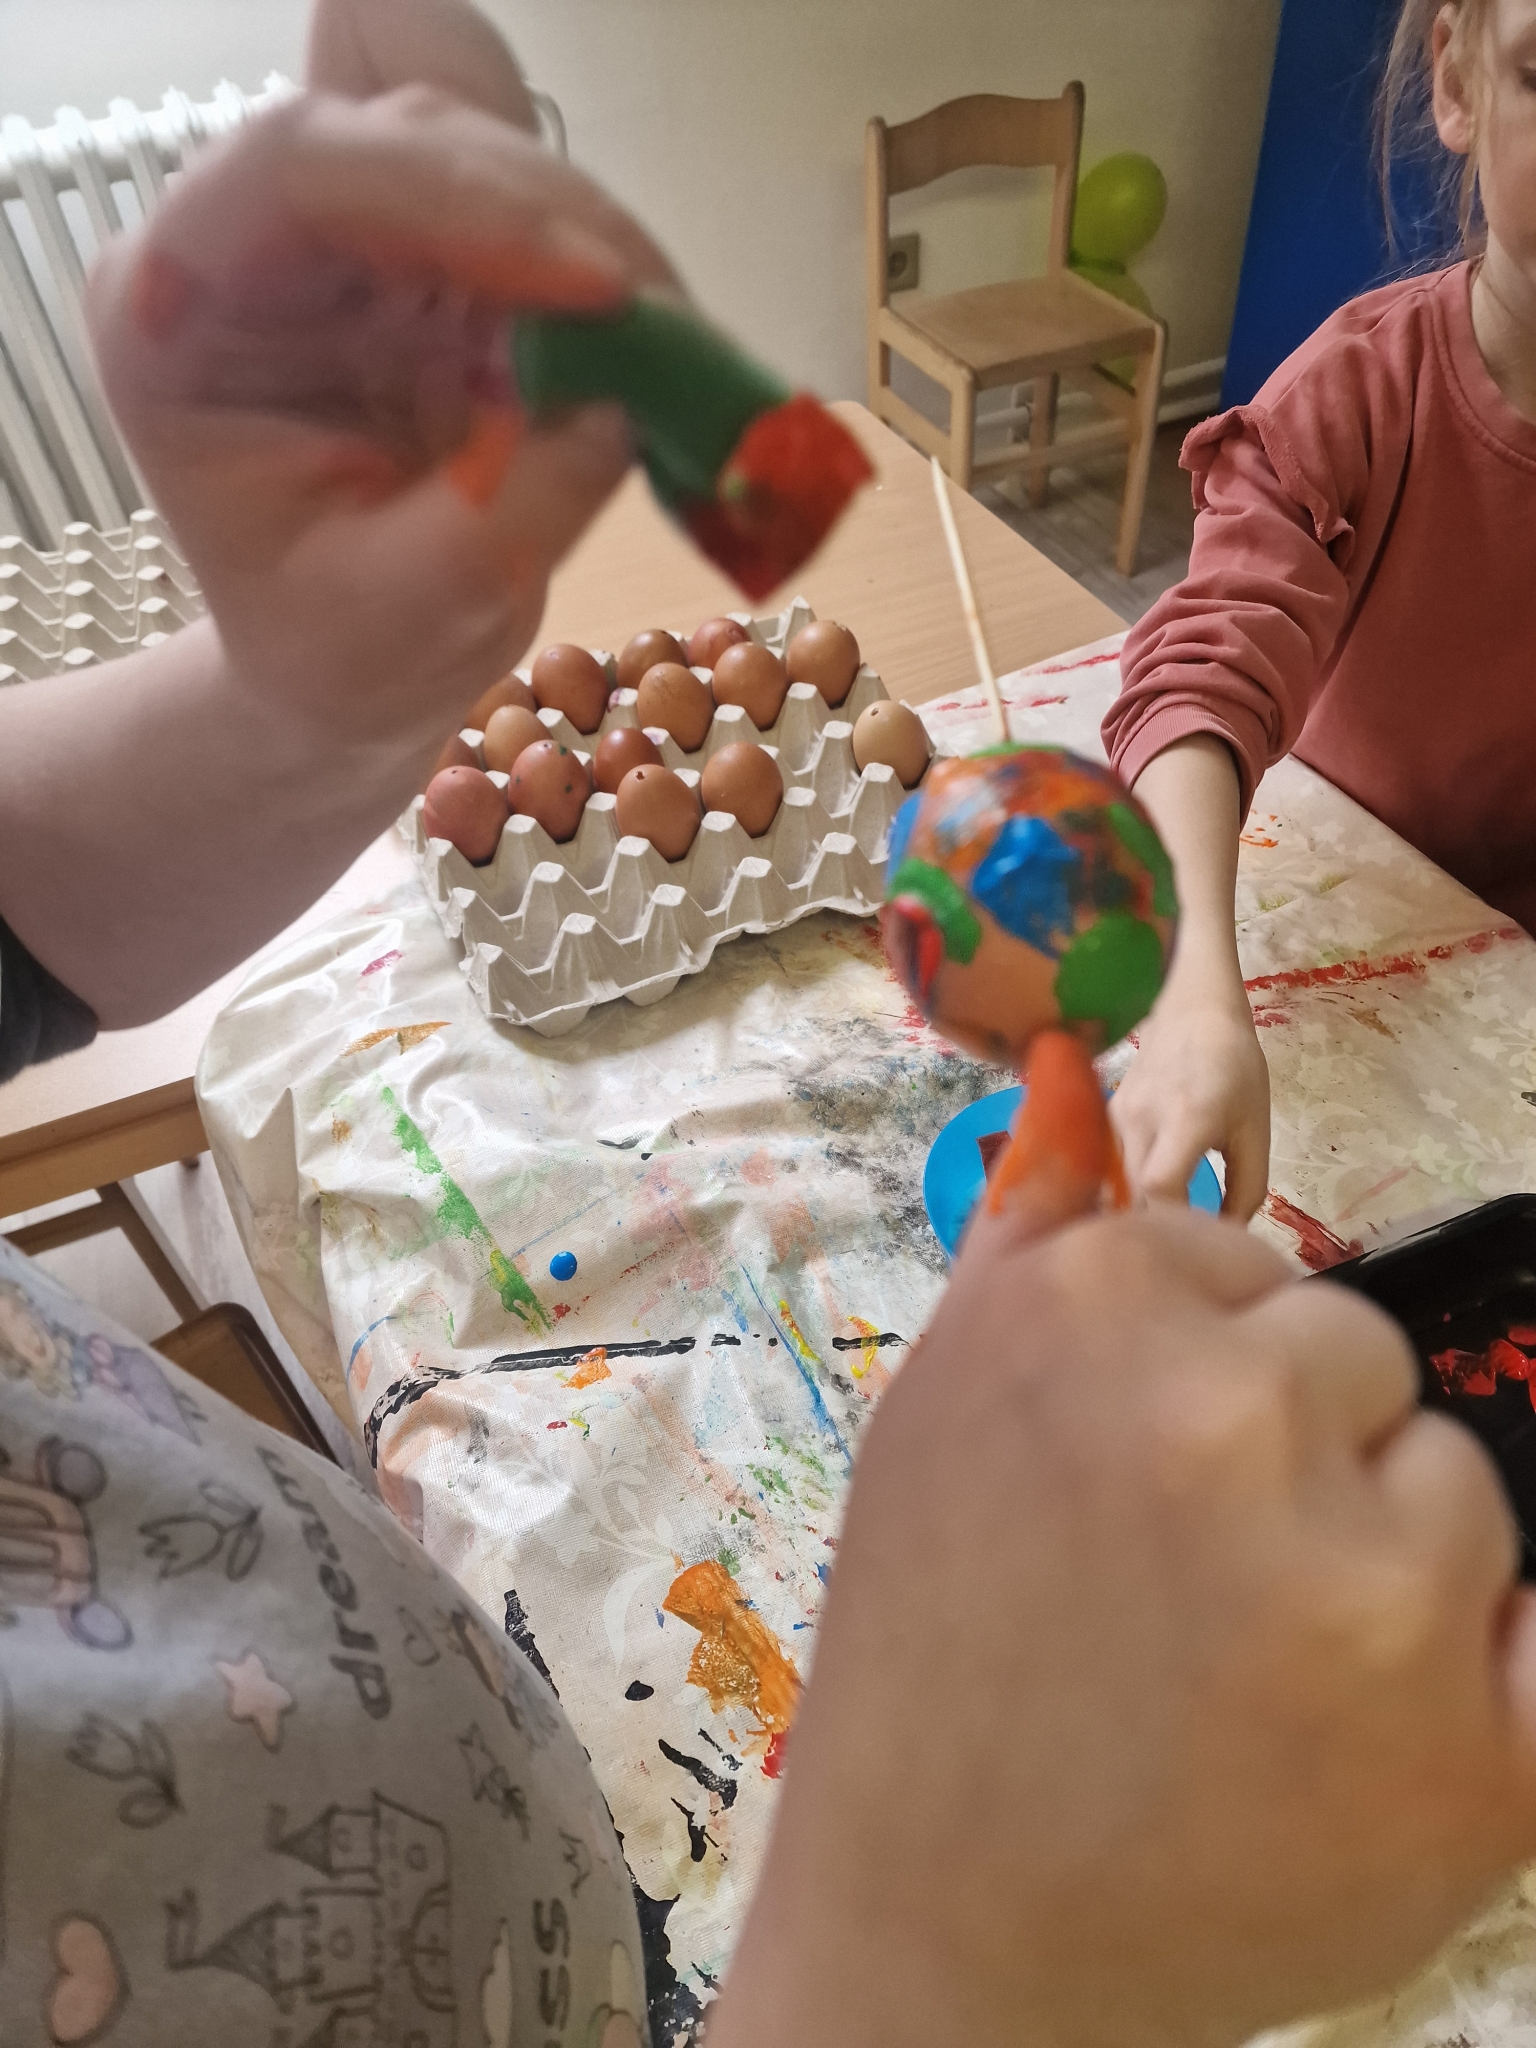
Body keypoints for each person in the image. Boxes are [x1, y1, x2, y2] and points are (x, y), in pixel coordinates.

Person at [3, 2, 1536, 2042]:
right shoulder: (1380, 386)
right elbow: (1213, 649)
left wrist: (283, 699)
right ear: (1456, 74)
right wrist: (930, 1940)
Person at [1102, 0, 1536, 1221]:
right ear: (1459, 78)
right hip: (1332, 950)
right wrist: (1194, 996)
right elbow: (1196, 682)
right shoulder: (1358, 399)